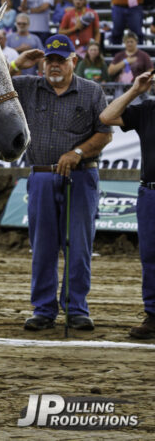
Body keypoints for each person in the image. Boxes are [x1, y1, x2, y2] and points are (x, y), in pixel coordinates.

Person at [8, 36, 112, 331]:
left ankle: (76, 308)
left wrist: (77, 153)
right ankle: (43, 309)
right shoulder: (26, 86)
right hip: (41, 175)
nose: (54, 65)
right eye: (50, 60)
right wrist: (16, 64)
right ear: (43, 62)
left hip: (80, 176)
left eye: (61, 60)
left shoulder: (91, 91)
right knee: (42, 247)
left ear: (73, 62)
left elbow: (105, 133)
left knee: (79, 246)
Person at [99, 69, 155, 338]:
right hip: (150, 193)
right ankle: (153, 315)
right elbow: (107, 117)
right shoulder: (147, 110)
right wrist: (135, 90)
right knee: (150, 257)